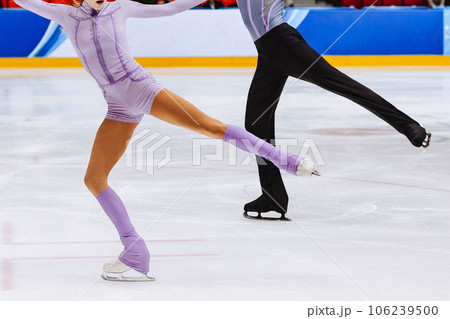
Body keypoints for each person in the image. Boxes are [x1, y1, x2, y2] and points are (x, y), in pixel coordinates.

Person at [14, 0, 318, 281]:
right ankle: (134, 251)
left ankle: (287, 161)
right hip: (117, 106)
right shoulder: (64, 16)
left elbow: (170, 9)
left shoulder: (119, 8)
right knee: (94, 179)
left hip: (141, 88)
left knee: (211, 127)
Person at [233, 0, 431, 219]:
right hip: (268, 51)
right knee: (255, 124)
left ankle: (408, 125)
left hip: (281, 42)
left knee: (341, 84)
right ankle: (273, 196)